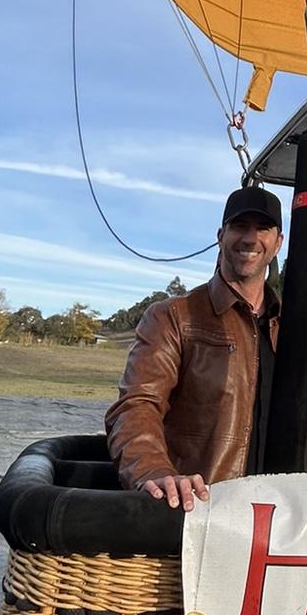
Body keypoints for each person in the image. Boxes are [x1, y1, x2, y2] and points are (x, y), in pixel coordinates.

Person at [106, 186, 283, 510]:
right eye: (240, 227)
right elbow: (137, 405)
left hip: (277, 522)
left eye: (263, 229)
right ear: (221, 235)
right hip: (202, 514)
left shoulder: (292, 327)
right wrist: (154, 471)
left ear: (278, 243)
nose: (250, 238)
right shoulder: (174, 317)